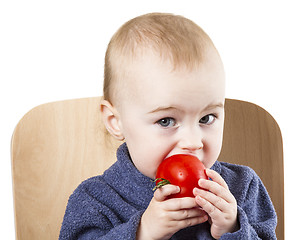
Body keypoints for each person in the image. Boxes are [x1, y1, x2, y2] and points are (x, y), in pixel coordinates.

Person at [59, 13, 277, 239]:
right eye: (166, 121)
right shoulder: (95, 200)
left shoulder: (243, 188)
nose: (193, 142)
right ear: (116, 122)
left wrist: (234, 229)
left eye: (206, 118)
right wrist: (142, 233)